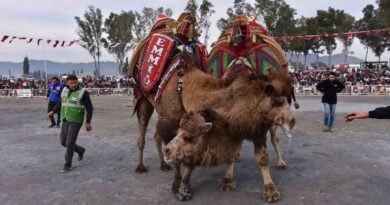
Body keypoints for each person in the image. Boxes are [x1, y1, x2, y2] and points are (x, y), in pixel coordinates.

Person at [48, 74, 93, 173]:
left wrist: (88, 122)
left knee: (70, 142)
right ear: (67, 83)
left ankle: (67, 164)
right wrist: (53, 111)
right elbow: (60, 103)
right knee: (63, 142)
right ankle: (80, 150)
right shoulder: (64, 90)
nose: (73, 85)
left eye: (75, 82)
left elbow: (89, 107)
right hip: (65, 118)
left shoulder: (83, 92)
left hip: (76, 120)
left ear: (78, 82)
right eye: (71, 83)